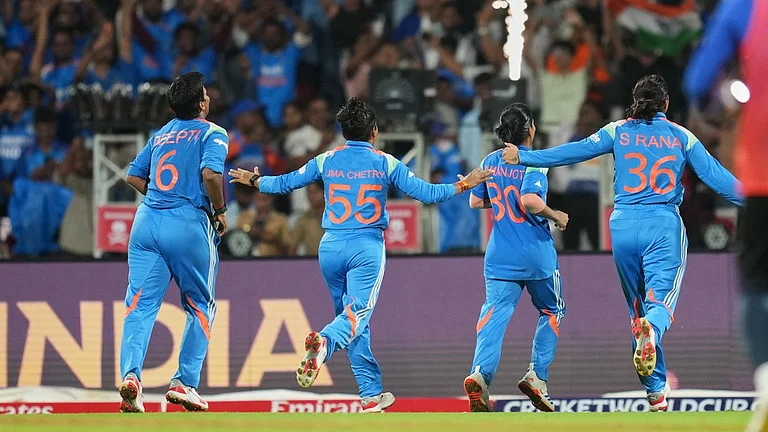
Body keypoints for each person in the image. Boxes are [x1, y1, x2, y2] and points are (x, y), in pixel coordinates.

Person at [229, 97, 491, 413]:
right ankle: (323, 342)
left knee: (354, 320)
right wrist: (466, 183)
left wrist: (255, 179)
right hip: (365, 247)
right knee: (355, 317)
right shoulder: (385, 162)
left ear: (344, 133)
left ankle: (369, 394)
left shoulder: (327, 160)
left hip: (330, 248)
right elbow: (428, 194)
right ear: (374, 132)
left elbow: (285, 183)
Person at [502, 74, 744, 412]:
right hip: (662, 223)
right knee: (660, 305)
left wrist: (527, 157)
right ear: (666, 105)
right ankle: (653, 335)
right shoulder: (681, 136)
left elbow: (573, 152)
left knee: (637, 309)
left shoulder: (618, 130)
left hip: (623, 225)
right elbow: (719, 180)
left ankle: (656, 393)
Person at [120, 72, 228, 413]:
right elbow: (211, 175)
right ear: (201, 103)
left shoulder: (161, 134)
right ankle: (185, 383)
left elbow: (133, 175)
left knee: (139, 306)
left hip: (147, 221)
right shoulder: (213, 132)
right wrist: (220, 210)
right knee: (200, 305)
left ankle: (132, 379)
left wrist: (158, 197)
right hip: (187, 223)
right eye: (206, 94)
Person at [682, 0, 768, 429]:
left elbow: (697, 82)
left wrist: (724, 111)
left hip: (763, 176)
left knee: (757, 286)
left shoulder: (745, 9)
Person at [463, 103, 568, 412]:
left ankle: (480, 374)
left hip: (499, 255)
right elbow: (530, 200)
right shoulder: (534, 161)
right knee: (552, 310)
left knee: (494, 314)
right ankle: (537, 376)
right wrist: (556, 215)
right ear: (531, 129)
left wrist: (498, 201)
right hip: (535, 253)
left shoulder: (490, 160)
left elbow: (474, 200)